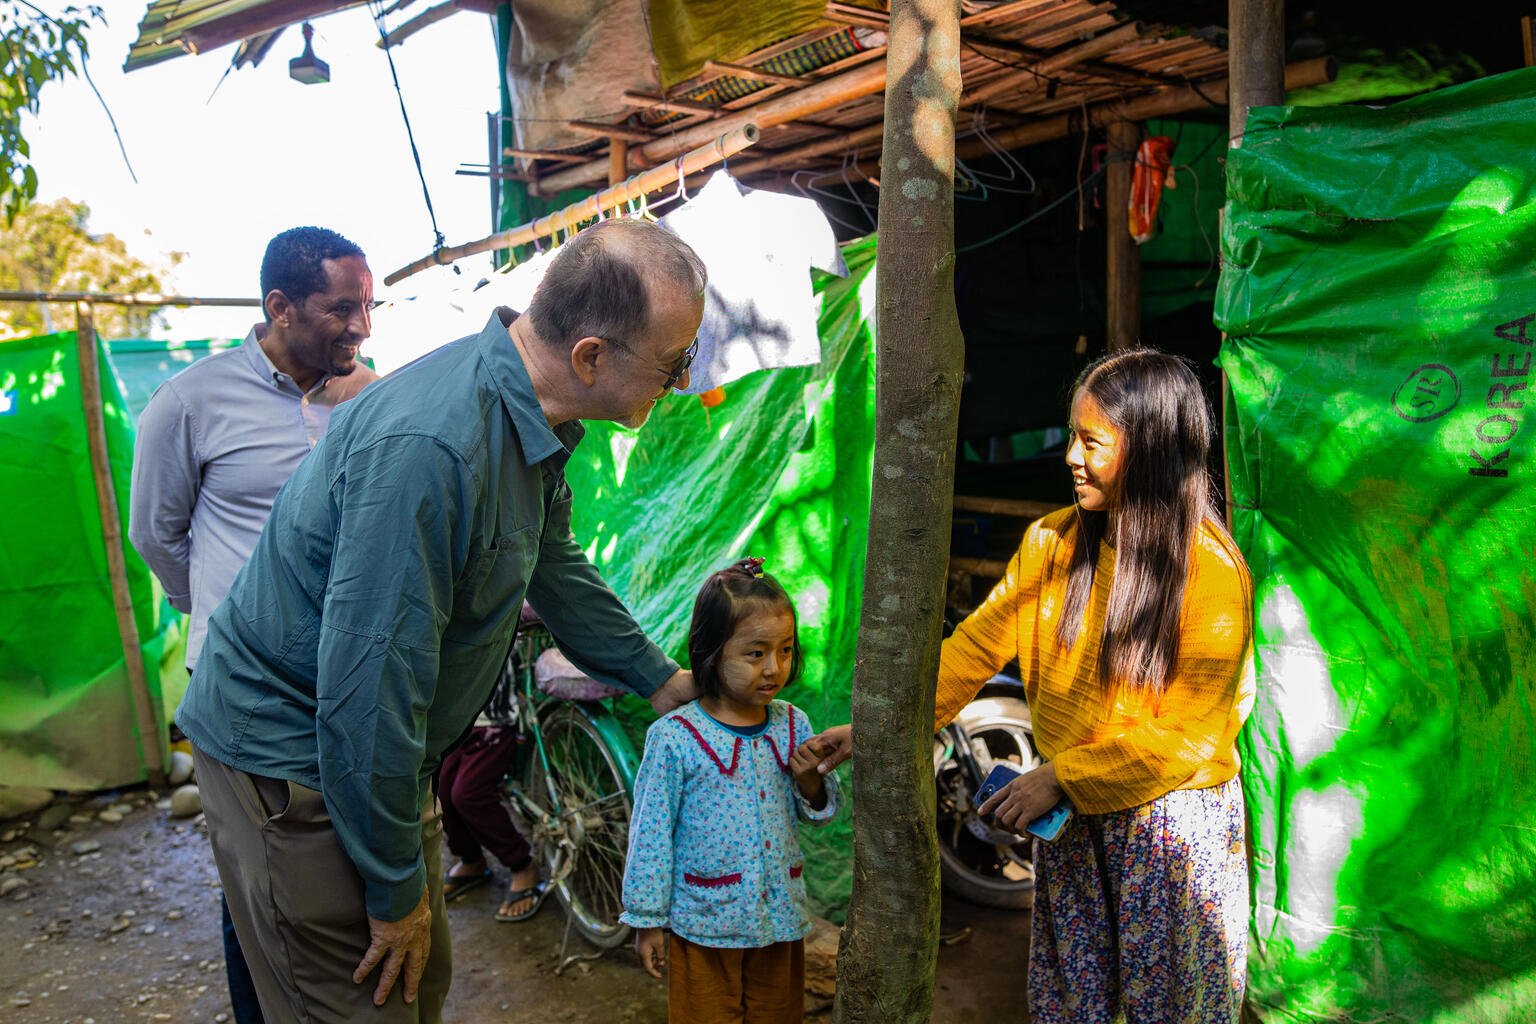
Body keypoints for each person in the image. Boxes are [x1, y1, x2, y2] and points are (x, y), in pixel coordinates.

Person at [174, 218, 708, 1023]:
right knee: (363, 998)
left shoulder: (531, 415)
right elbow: (366, 694)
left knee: (420, 984)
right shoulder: (433, 447)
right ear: (592, 356)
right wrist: (393, 890)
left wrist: (659, 677)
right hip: (293, 756)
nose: (681, 383)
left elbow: (553, 565)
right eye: (676, 363)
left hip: (371, 752)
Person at [815, 349, 1256, 1023]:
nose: (1071, 457)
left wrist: (1061, 779)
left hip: (1168, 831)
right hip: (1077, 812)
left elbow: (1189, 738)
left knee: (1169, 1006)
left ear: (1155, 452)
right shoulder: (1051, 545)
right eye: (1071, 437)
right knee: (1077, 1000)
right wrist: (877, 732)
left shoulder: (1211, 574)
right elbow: (972, 650)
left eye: (1093, 442)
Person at [128, 225, 377, 1024]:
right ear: (279, 306)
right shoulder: (192, 401)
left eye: (369, 305)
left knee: (336, 868)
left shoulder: (363, 395)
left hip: (342, 671)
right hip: (240, 681)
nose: (361, 325)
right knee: (256, 875)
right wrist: (215, 615)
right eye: (342, 308)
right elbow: (156, 535)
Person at [621, 557, 842, 1024]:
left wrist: (809, 780)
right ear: (711, 652)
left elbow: (821, 813)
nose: (774, 668)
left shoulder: (792, 723)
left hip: (780, 918)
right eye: (755, 653)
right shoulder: (675, 736)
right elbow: (650, 836)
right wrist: (645, 922)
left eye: (785, 650)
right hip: (704, 923)